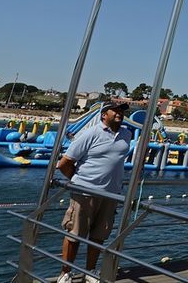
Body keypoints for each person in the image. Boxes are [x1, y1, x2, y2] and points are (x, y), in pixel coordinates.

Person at [56, 101, 132, 283]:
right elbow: (64, 163)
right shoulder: (90, 134)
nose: (119, 113)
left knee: (99, 236)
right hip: (84, 193)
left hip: (110, 194)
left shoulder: (126, 135)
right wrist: (79, 181)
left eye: (121, 110)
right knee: (75, 234)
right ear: (104, 114)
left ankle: (90, 271)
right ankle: (66, 273)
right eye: (115, 110)